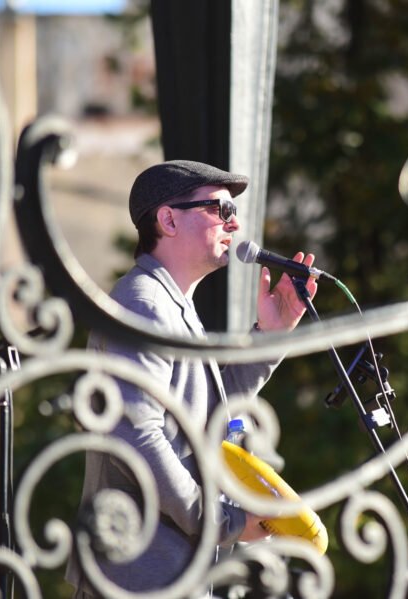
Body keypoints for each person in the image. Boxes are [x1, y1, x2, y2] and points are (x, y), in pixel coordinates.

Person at [66, 160, 318, 596]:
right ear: (168, 220)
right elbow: (137, 436)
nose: (234, 223)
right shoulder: (145, 303)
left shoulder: (171, 303)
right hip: (139, 578)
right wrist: (221, 521)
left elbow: (209, 418)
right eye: (220, 210)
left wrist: (270, 336)